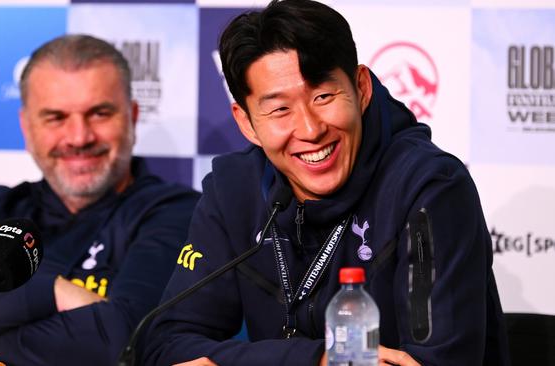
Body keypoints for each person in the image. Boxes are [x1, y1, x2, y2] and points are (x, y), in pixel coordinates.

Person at [143, 1, 510, 365]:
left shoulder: (429, 188)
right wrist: (317, 360)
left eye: (323, 96)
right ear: (246, 123)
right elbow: (166, 345)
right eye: (280, 109)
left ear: (362, 88)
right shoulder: (233, 190)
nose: (310, 129)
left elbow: (437, 362)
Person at [0, 34, 200, 365]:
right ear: (26, 126)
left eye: (99, 113)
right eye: (56, 117)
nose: (79, 137)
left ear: (131, 116)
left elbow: (125, 340)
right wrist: (54, 292)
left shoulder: (181, 213)